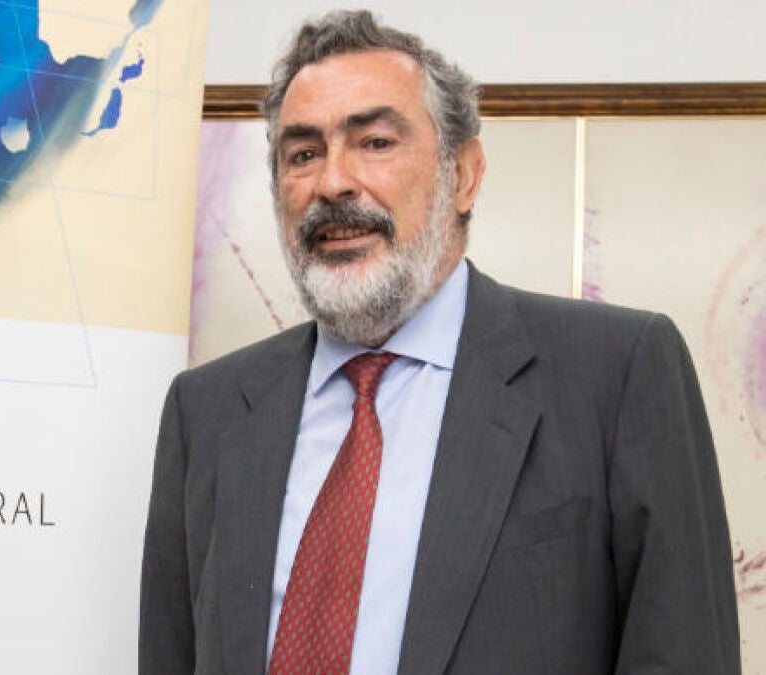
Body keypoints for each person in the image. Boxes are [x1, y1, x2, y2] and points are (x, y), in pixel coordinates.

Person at [139, 9, 740, 675]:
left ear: (465, 174)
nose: (332, 182)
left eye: (375, 142)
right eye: (303, 154)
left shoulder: (618, 373)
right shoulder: (208, 412)